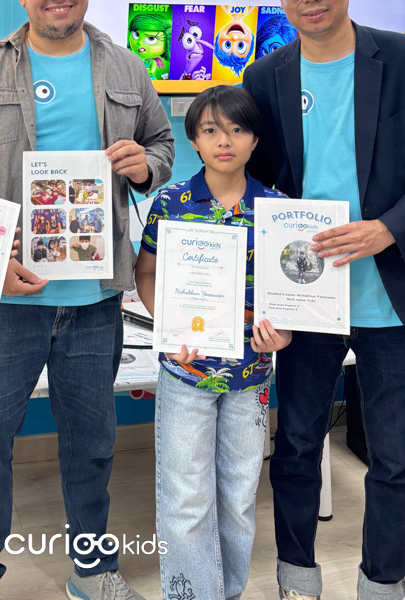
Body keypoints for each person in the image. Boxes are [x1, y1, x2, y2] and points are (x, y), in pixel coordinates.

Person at [0, 0, 175, 600]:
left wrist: (144, 165)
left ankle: (93, 571)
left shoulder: (127, 69)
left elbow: (161, 144)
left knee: (91, 445)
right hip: (9, 303)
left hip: (96, 300)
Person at [242, 0, 405, 600]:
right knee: (296, 447)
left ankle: (383, 583)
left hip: (392, 294)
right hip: (305, 295)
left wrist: (388, 229)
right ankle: (296, 577)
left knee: (396, 459)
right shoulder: (266, 77)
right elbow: (256, 182)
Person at [134, 85, 291, 600]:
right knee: (185, 499)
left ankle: (229, 592)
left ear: (254, 140)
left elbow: (291, 294)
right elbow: (146, 273)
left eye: (237, 129)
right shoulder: (171, 203)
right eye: (210, 130)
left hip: (252, 376)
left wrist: (284, 332)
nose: (224, 141)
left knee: (239, 498)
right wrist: (169, 325)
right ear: (194, 141)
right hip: (186, 371)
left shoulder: (277, 209)